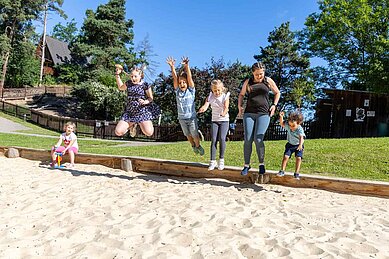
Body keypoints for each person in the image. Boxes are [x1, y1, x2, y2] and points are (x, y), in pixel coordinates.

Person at [238, 62, 280, 176]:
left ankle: (261, 164)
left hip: (263, 114)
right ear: (253, 73)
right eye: (257, 74)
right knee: (247, 139)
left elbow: (277, 93)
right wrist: (240, 106)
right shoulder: (248, 82)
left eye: (261, 74)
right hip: (249, 113)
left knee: (258, 139)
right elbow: (241, 94)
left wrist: (274, 105)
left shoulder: (268, 81)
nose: (259, 76)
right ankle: (246, 165)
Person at [166, 56, 204, 155]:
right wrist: (172, 67)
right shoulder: (177, 91)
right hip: (182, 118)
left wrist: (187, 66)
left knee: (194, 134)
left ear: (187, 83)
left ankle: (198, 145)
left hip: (191, 118)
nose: (182, 84)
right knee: (187, 135)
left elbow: (190, 78)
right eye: (180, 82)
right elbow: (175, 77)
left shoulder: (191, 91)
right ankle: (193, 146)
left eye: (184, 82)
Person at [114, 64, 160, 138]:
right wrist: (117, 75)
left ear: (140, 75)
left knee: (149, 132)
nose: (133, 78)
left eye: (135, 76)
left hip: (142, 111)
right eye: (132, 76)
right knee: (118, 132)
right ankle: (132, 124)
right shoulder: (129, 83)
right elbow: (120, 87)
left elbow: (150, 98)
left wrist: (146, 101)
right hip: (130, 112)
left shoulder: (145, 84)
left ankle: (139, 123)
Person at [198, 79, 230, 170]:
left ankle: (221, 160)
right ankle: (212, 161)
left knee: (222, 138)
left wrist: (223, 113)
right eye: (215, 90)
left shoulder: (225, 96)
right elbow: (206, 104)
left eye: (219, 90)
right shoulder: (211, 96)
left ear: (222, 89)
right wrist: (203, 108)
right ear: (212, 90)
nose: (217, 92)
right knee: (214, 139)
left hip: (224, 120)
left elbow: (226, 107)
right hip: (214, 120)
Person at [277, 111, 306, 180]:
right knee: (286, 157)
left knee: (298, 158)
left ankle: (296, 173)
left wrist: (300, 145)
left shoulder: (299, 129)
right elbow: (282, 123)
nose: (291, 127)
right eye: (290, 125)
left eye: (293, 126)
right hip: (290, 145)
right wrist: (281, 117)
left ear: (298, 124)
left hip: (298, 145)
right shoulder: (289, 127)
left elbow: (301, 137)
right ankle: (282, 171)